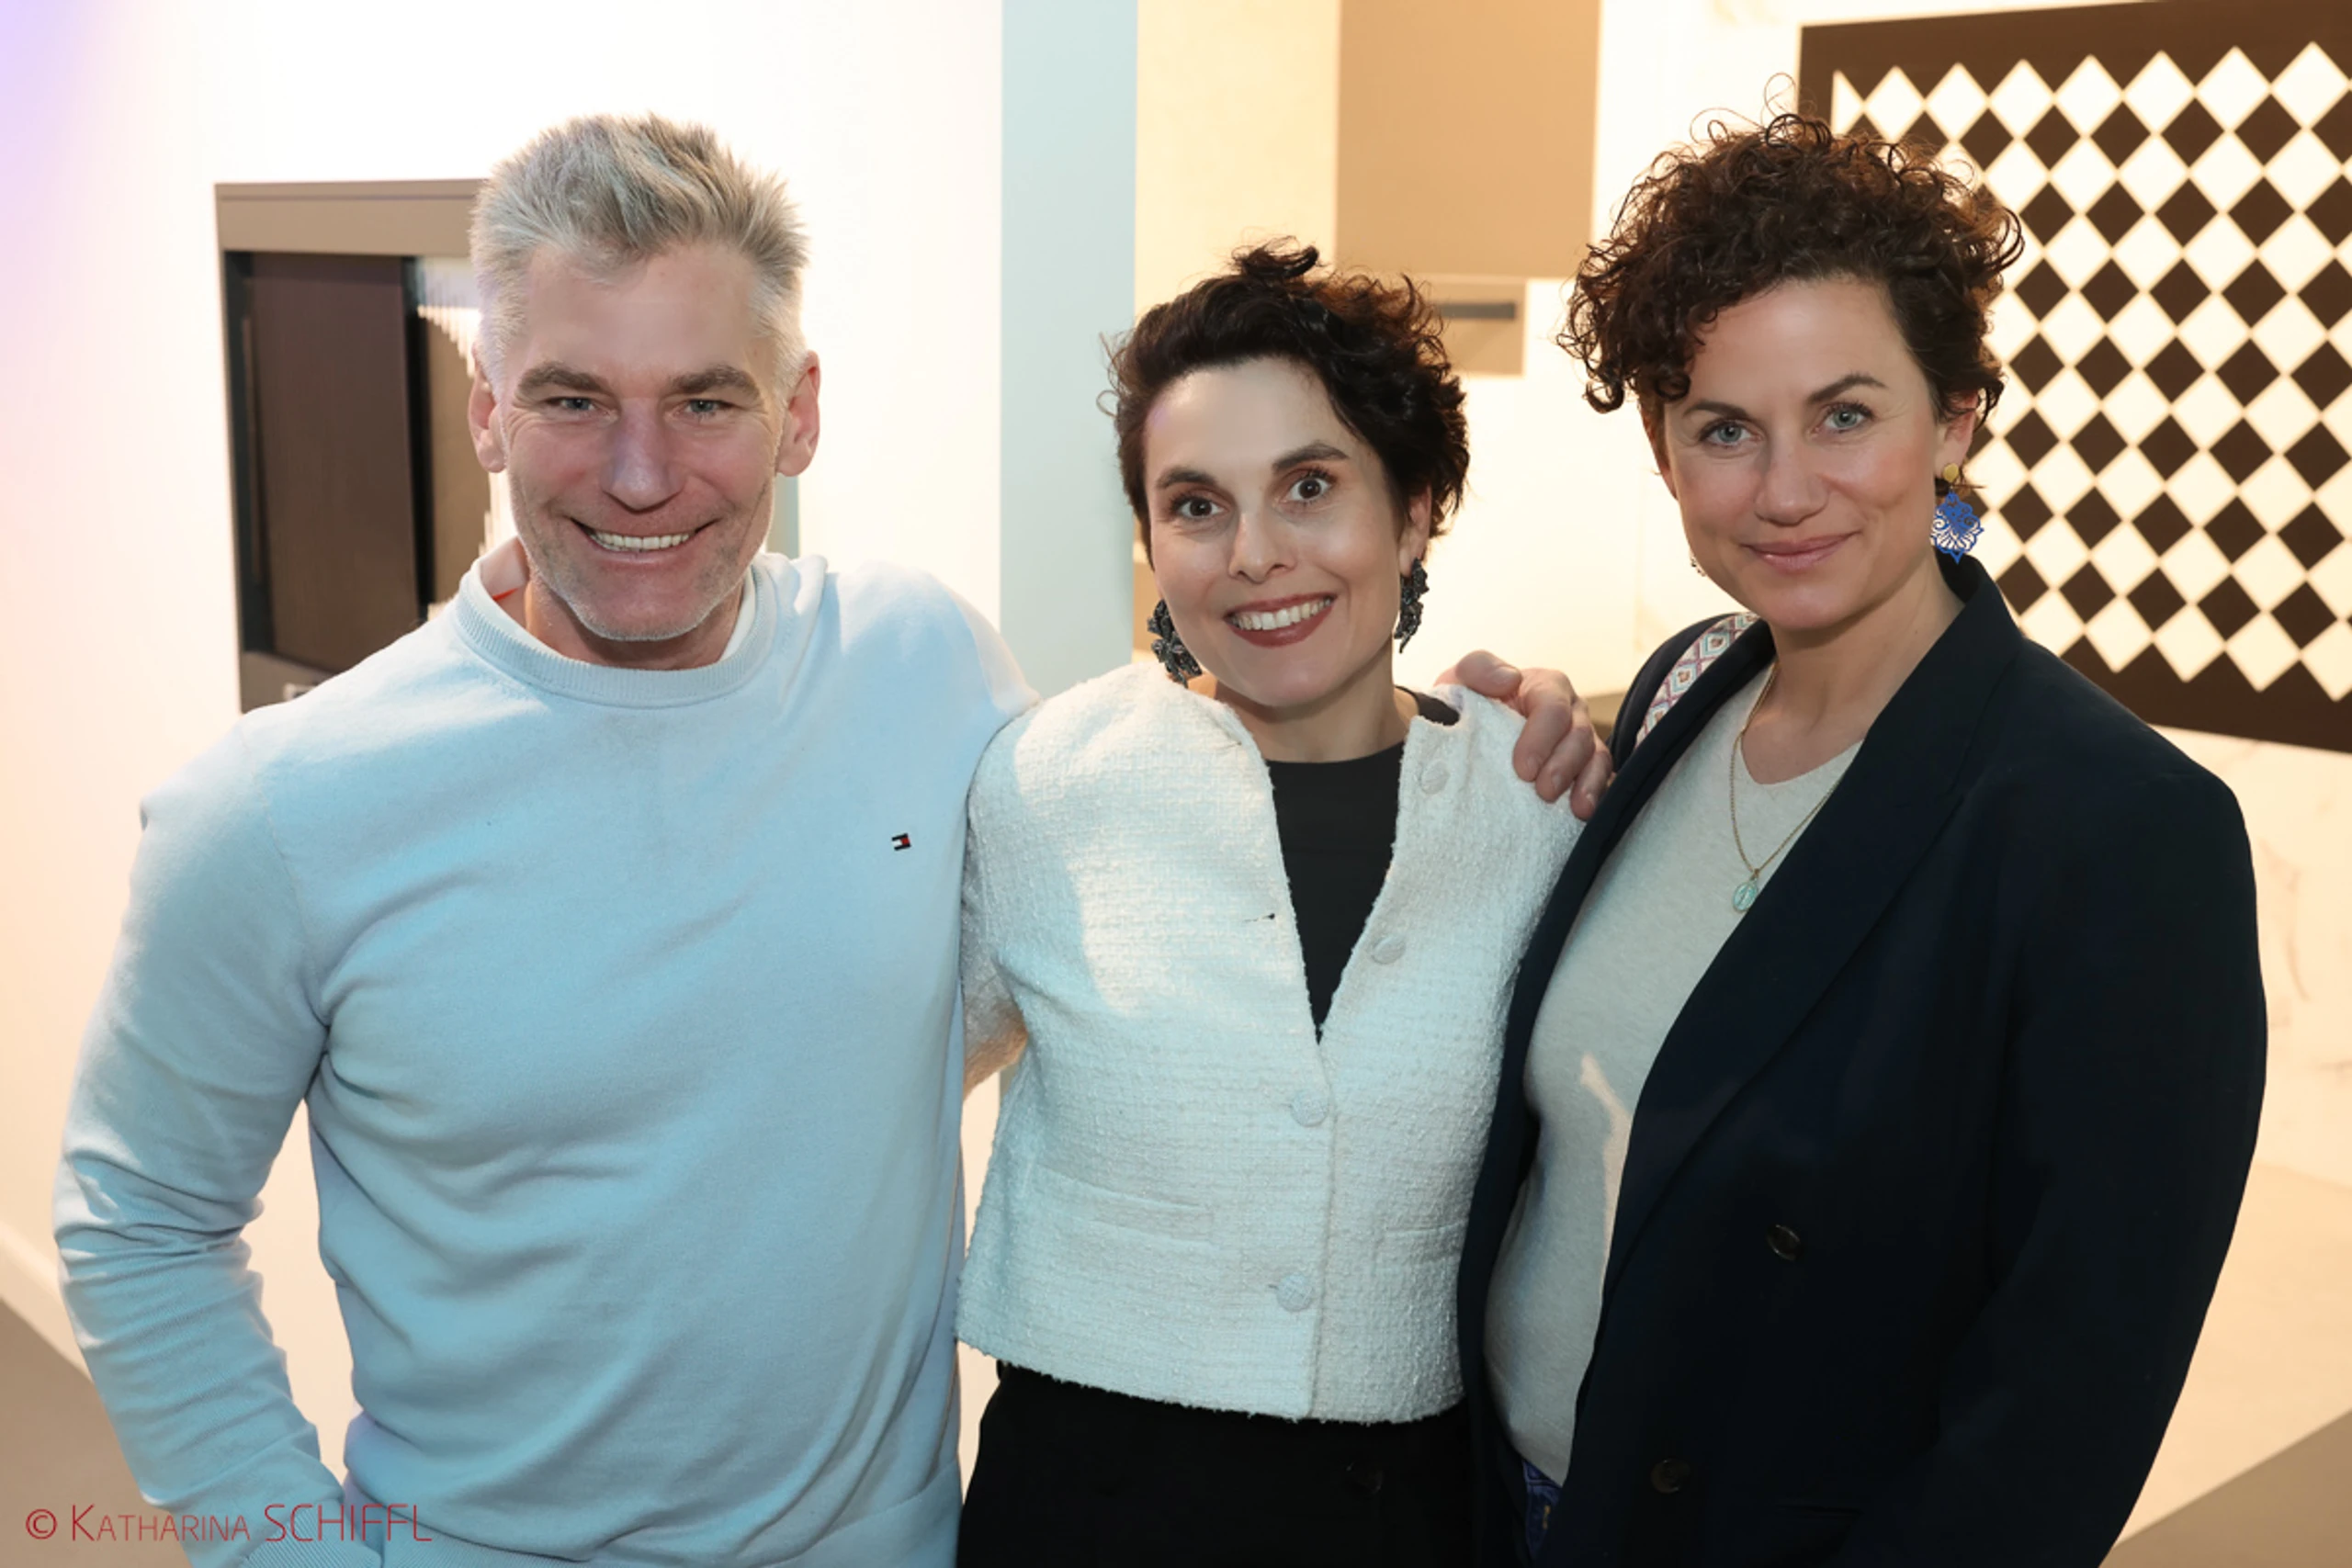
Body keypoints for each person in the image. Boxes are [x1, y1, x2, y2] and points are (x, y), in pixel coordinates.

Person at [54, 118, 1605, 1568]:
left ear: (797, 412)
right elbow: (139, 1225)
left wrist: (1505, 726)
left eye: (706, 400)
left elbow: (1167, 847)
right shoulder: (281, 808)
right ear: (485, 408)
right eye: (574, 398)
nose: (643, 472)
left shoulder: (920, 666)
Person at [1459, 115, 2267, 1567]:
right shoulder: (1680, 692)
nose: (1783, 490)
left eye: (1845, 416)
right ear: (1663, 452)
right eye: (1723, 429)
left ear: (1955, 419)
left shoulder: (2118, 827)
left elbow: (2063, 1410)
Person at [954, 244, 1587, 1567]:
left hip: (1414, 1512)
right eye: (1196, 505)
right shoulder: (1048, 783)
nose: (1254, 556)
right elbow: (873, 1081)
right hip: (1086, 1507)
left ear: (1414, 510)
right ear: (1151, 542)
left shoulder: (1537, 803)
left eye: (1310, 486)